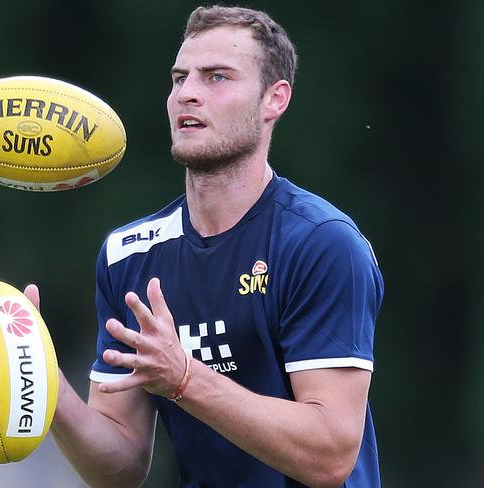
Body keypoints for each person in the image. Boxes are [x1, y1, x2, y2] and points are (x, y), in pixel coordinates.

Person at [26, 5, 384, 487]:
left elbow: (330, 454)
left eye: (217, 77)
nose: (187, 94)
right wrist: (43, 385)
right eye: (179, 78)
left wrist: (184, 380)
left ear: (274, 100)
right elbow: (121, 466)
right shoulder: (129, 255)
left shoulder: (321, 244)